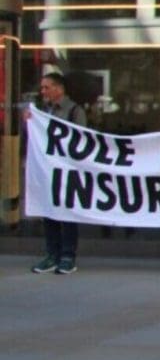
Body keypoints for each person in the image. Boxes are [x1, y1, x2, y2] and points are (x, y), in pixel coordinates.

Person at [30, 72, 86, 275]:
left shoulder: (74, 111)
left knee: (67, 213)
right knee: (49, 213)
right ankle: (52, 254)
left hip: (67, 171)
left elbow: (81, 140)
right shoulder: (44, 111)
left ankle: (68, 255)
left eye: (46, 87)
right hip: (49, 171)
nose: (42, 91)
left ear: (58, 89)